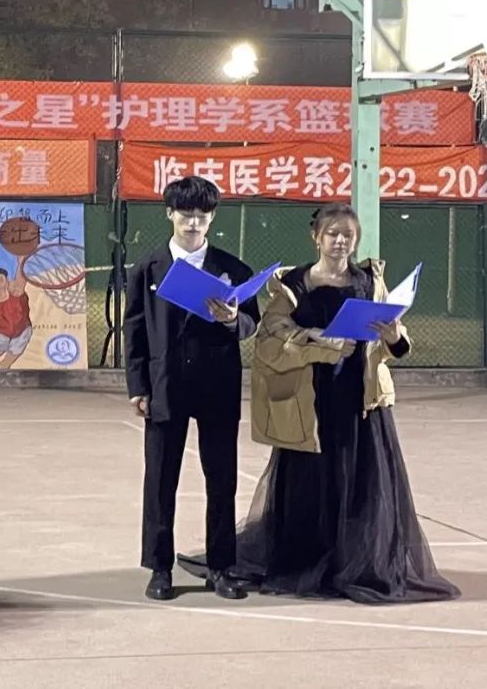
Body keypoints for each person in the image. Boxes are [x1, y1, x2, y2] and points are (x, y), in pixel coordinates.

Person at [178, 203, 460, 604]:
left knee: (361, 485)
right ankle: (308, 561)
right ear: (316, 237)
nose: (340, 241)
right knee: (309, 485)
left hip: (362, 402)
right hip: (310, 402)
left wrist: (394, 336)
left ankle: (357, 564)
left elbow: (392, 341)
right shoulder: (292, 284)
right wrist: (318, 342)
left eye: (348, 234)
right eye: (332, 233)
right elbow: (271, 339)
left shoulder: (369, 281)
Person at [123, 175, 260, 601]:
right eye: (186, 214)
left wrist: (232, 320)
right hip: (166, 385)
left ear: (212, 217)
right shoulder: (147, 268)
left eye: (202, 215)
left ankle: (221, 567)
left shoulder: (233, 269)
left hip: (217, 385)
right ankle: (159, 567)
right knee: (160, 480)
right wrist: (138, 385)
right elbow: (134, 329)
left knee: (222, 480)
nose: (194, 223)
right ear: (170, 214)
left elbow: (251, 323)